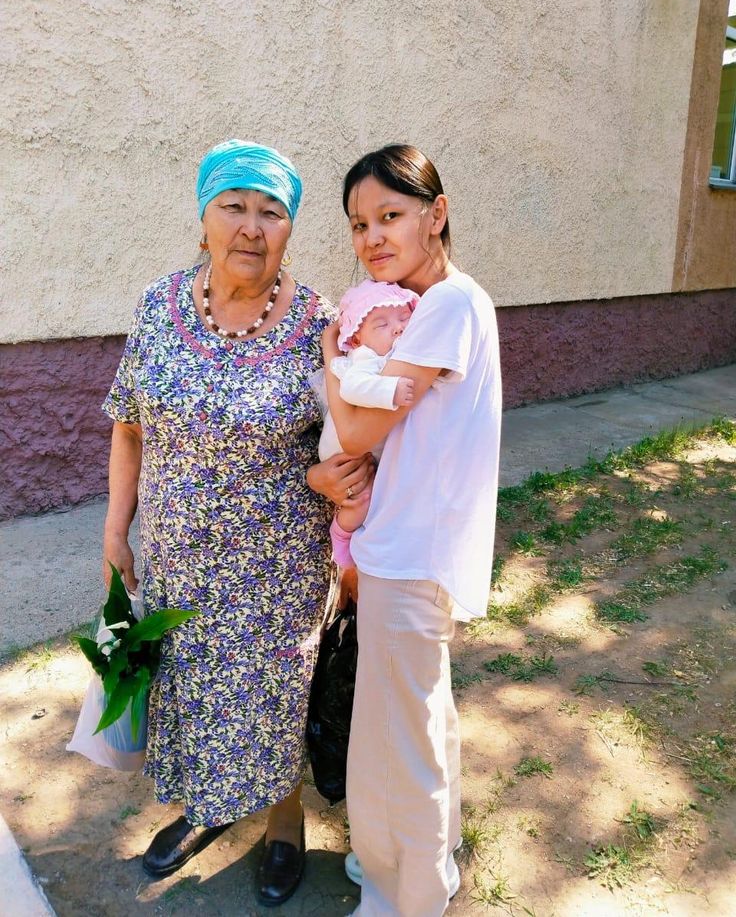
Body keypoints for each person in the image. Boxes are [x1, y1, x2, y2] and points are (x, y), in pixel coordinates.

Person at [101, 139, 372, 906]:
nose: (252, 226)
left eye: (271, 211)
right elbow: (128, 424)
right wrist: (116, 530)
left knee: (273, 695)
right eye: (234, 206)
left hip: (277, 567)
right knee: (192, 688)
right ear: (204, 218)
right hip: (178, 558)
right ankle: (208, 806)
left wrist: (339, 484)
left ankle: (285, 823)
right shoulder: (157, 306)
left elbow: (352, 437)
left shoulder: (319, 323)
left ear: (289, 228)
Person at [314, 144, 502, 916]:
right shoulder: (438, 305)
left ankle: (404, 895)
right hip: (414, 545)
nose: (372, 238)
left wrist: (331, 356)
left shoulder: (448, 304)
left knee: (398, 735)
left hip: (410, 550)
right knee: (421, 718)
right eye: (359, 224)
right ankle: (424, 865)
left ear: (437, 213)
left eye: (390, 215)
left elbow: (360, 429)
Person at [318, 279, 419, 570]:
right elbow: (352, 388)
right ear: (357, 339)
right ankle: (341, 537)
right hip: (341, 454)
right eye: (382, 325)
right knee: (362, 498)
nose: (397, 328)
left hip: (364, 445)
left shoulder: (389, 351)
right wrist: (391, 391)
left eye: (403, 318)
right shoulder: (365, 357)